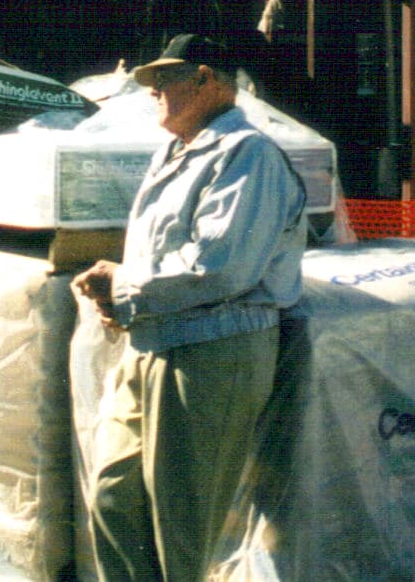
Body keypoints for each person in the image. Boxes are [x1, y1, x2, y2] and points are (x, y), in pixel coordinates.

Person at [73, 34, 308, 582]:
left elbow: (220, 265)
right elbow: (168, 255)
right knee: (113, 496)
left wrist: (126, 285)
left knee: (182, 527)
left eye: (164, 80)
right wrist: (120, 294)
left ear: (206, 79)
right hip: (154, 341)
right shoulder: (177, 151)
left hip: (214, 352)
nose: (153, 92)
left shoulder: (247, 153)